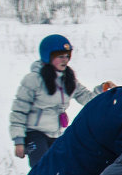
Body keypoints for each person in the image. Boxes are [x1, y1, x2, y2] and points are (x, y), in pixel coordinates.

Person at [9, 34, 115, 167]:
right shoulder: (33, 80)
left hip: (56, 133)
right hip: (35, 133)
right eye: (60, 56)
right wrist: (18, 141)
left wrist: (102, 89)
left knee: (59, 170)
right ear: (48, 56)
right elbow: (19, 111)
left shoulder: (68, 79)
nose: (65, 60)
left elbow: (87, 98)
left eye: (67, 56)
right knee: (41, 169)